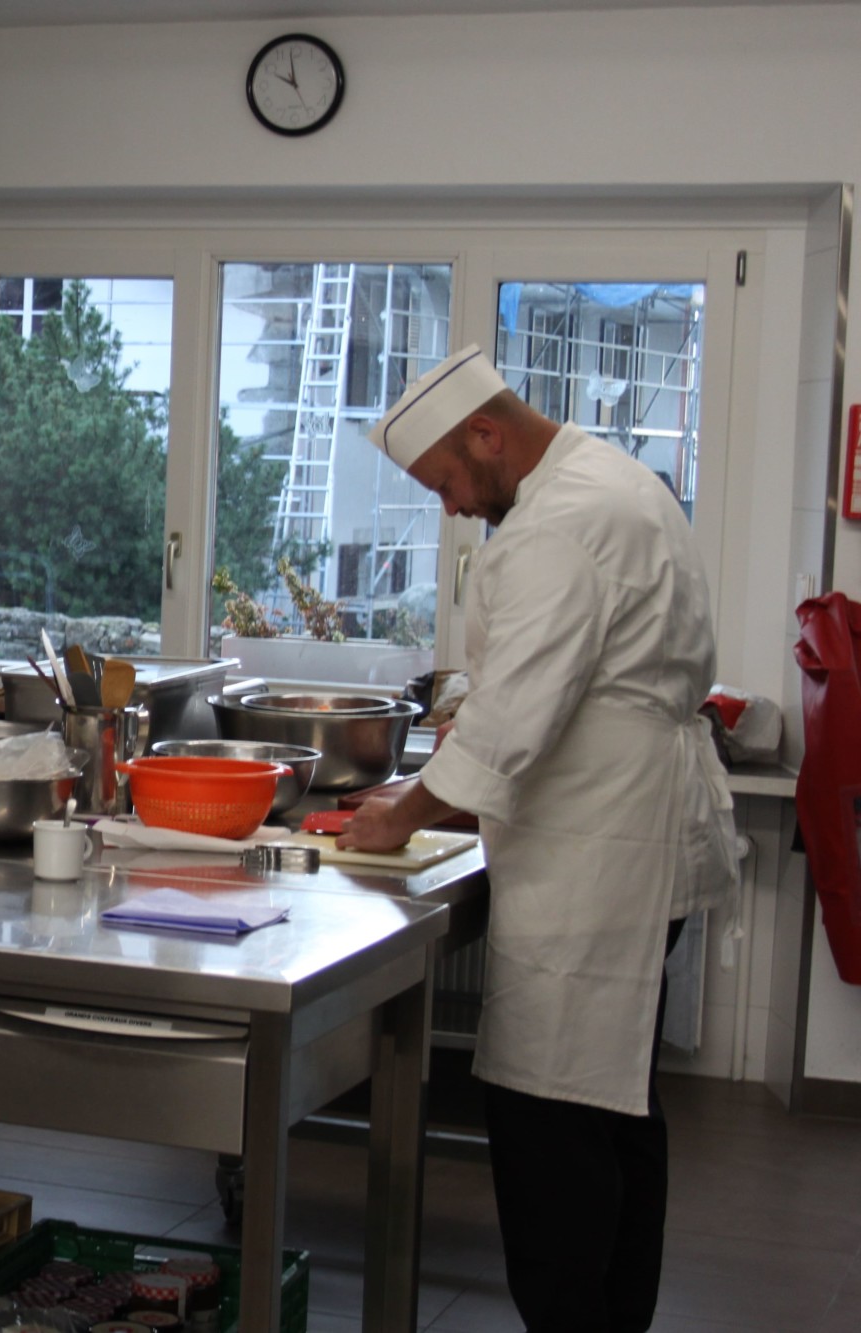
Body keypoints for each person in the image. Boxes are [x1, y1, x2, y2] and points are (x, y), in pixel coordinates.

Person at [337, 346, 738, 1333]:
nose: (448, 507)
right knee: (618, 1110)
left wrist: (399, 814)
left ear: (484, 433)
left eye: (444, 482)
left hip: (599, 848)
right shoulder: (606, 479)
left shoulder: (562, 520)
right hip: (632, 830)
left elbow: (516, 718)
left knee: (553, 1114)